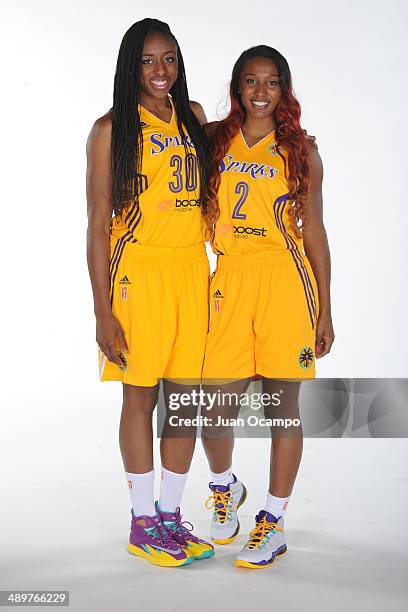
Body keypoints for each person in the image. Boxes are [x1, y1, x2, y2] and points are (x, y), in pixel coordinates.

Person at [86, 18, 214, 567]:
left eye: (169, 59)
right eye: (148, 61)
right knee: (140, 396)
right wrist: (102, 312)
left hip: (191, 269)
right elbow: (96, 225)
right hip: (139, 273)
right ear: (130, 66)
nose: (161, 71)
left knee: (184, 401)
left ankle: (170, 517)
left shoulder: (196, 119)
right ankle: (142, 523)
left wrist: (291, 137)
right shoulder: (112, 128)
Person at [201, 45, 334, 568]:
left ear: (285, 89)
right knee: (214, 404)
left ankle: (273, 522)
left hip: (284, 279)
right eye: (250, 81)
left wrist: (325, 309)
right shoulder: (215, 139)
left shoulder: (300, 150)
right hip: (229, 278)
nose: (260, 91)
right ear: (237, 88)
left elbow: (316, 231)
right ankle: (223, 485)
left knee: (283, 409)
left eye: (271, 81)